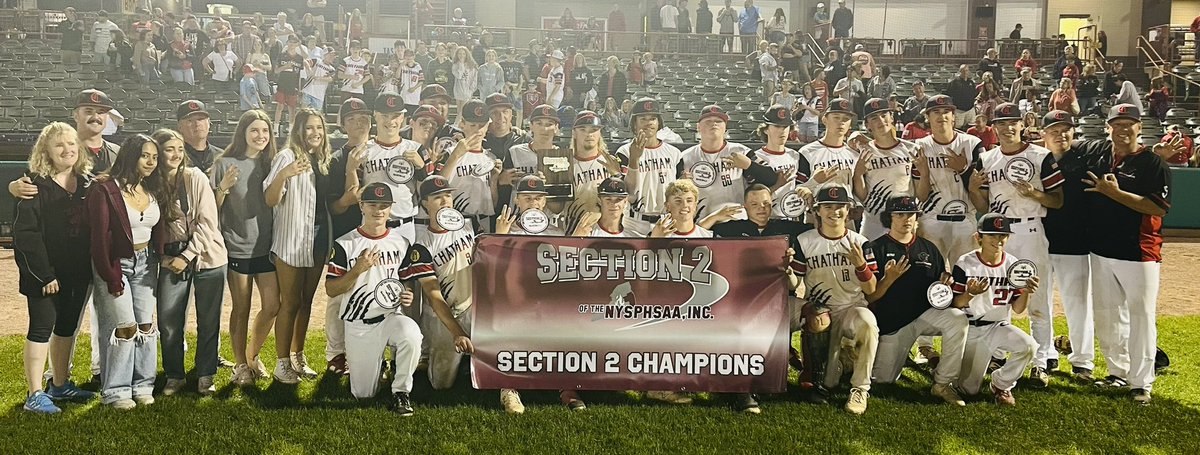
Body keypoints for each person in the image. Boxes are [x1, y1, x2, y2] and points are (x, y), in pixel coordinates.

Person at [1074, 104, 1173, 404]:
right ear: (1108, 127)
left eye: (1128, 124)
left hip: (1139, 252)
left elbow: (1157, 207)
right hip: (1101, 250)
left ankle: (1141, 382)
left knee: (1141, 316)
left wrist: (1114, 194)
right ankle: (1118, 372)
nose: (1122, 129)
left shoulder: (1153, 164)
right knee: (1108, 315)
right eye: (1117, 124)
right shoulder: (1101, 154)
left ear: (1139, 127)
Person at [968, 103, 1064, 387]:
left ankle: (1042, 359)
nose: (1008, 128)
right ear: (993, 127)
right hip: (998, 234)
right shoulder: (987, 159)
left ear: (1023, 124)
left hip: (1030, 229)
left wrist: (1035, 193)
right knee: (998, 296)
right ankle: (998, 354)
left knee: (1037, 298)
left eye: (1013, 122)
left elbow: (1058, 200)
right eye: (1001, 123)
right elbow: (983, 206)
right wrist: (973, 189)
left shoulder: (1041, 156)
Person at [326, 182, 430, 415]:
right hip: (359, 323)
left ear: (391, 209)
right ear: (361, 206)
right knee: (363, 394)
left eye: (384, 205)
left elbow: (405, 279)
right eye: (373, 204)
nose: (379, 210)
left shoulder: (401, 242)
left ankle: (401, 392)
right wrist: (357, 269)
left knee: (411, 334)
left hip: (390, 316)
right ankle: (378, 364)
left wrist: (408, 292)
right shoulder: (345, 244)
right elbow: (331, 290)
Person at [15, 123, 98, 413]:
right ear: (46, 151)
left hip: (77, 272)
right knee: (41, 328)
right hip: (44, 273)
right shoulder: (34, 184)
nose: (68, 150)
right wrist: (44, 274)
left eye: (72, 144)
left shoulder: (88, 182)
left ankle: (60, 385)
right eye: (59, 145)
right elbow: (26, 234)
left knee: (66, 327)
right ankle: (35, 393)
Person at [88, 134, 167, 409]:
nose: (151, 162)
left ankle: (143, 384)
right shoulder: (105, 188)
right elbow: (99, 238)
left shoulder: (152, 188)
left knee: (145, 326)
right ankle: (116, 391)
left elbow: (158, 229)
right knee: (123, 327)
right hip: (115, 263)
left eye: (155, 157)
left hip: (147, 263)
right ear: (130, 155)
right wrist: (110, 275)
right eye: (145, 155)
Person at [866, 196, 967, 406]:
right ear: (889, 218)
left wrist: (945, 284)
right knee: (883, 380)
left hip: (925, 315)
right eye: (899, 214)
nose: (906, 219)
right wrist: (889, 279)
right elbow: (870, 297)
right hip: (893, 322)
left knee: (957, 319)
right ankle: (854, 356)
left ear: (917, 217)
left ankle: (942, 384)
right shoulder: (875, 247)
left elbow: (940, 289)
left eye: (911, 214)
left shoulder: (929, 248)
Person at [151, 129, 228, 397]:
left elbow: (209, 223)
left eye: (179, 150)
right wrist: (166, 257)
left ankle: (205, 374)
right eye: (169, 149)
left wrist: (187, 256)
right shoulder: (150, 183)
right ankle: (175, 375)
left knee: (209, 320)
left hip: (207, 256)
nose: (175, 155)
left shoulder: (194, 177)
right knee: (169, 321)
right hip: (170, 258)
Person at [791, 184, 878, 414]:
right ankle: (843, 358)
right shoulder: (804, 240)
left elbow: (870, 288)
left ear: (848, 210)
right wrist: (787, 270)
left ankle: (860, 388)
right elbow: (794, 284)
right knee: (828, 382)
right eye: (827, 207)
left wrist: (860, 265)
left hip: (851, 307)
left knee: (868, 323)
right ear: (817, 210)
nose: (834, 212)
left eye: (839, 206)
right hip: (822, 313)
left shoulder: (860, 241)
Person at [264, 108, 334, 383]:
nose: (314, 133)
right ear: (298, 130)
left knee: (306, 302)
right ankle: (282, 363)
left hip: (316, 238)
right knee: (290, 303)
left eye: (319, 127)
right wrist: (284, 174)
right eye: (308, 128)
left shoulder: (322, 158)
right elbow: (270, 199)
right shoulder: (286, 156)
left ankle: (298, 355)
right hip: (292, 239)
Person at [211, 110, 281, 385]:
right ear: (243, 132)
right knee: (241, 307)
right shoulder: (225, 163)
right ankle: (240, 364)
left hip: (267, 247)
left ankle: (253, 355)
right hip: (237, 246)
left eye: (265, 131)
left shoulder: (272, 163)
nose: (260, 136)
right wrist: (223, 187)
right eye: (254, 130)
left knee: (272, 305)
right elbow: (210, 208)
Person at [951, 213, 1041, 405]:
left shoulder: (1013, 265)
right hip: (971, 328)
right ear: (979, 237)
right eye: (991, 235)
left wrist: (1026, 291)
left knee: (1028, 346)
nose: (998, 240)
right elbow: (955, 304)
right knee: (968, 390)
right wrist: (970, 294)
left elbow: (1018, 308)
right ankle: (949, 369)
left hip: (998, 326)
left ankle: (1001, 385)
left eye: (1002, 235)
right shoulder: (965, 263)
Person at [1039, 110, 1095, 381]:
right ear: (1043, 135)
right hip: (1040, 239)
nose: (1061, 135)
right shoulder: (1036, 160)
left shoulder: (1085, 160)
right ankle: (1046, 352)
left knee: (1077, 302)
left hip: (1075, 241)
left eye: (1066, 130)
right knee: (1040, 301)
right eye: (1054, 130)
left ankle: (1082, 360)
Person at [680, 105, 777, 219]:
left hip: (736, 220)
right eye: (708, 121)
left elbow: (771, 178)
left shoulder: (741, 151)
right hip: (702, 222)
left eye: (719, 121)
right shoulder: (685, 157)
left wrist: (749, 165)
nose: (714, 124)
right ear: (698, 127)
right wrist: (681, 184)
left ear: (725, 127)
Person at [851, 98, 918, 240]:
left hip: (904, 219)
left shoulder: (911, 149)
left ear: (892, 117)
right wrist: (858, 174)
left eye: (884, 115)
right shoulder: (863, 151)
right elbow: (863, 196)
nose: (881, 121)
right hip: (874, 221)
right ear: (867, 125)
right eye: (874, 118)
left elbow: (919, 189)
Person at [618, 98, 684, 237]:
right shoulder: (624, 152)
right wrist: (634, 159)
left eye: (653, 118)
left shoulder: (674, 153)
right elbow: (628, 191)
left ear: (659, 123)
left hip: (666, 220)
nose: (648, 123)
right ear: (634, 124)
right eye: (643, 119)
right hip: (633, 222)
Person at [437, 100, 500, 232]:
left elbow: (492, 204)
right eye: (472, 125)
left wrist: (494, 179)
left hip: (483, 222)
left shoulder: (491, 158)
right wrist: (455, 156)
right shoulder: (449, 153)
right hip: (453, 219)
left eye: (482, 125)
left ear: (488, 125)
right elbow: (437, 185)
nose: (477, 130)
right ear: (462, 124)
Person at [798, 98, 859, 195]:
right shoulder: (807, 152)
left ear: (850, 124)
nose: (841, 122)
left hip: (845, 209)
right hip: (815, 208)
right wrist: (814, 182)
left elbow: (857, 192)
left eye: (846, 119)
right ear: (824, 120)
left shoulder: (854, 155)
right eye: (836, 117)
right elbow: (795, 190)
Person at [947, 65, 977, 130]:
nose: (965, 72)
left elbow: (975, 94)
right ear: (960, 71)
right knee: (957, 128)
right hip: (959, 110)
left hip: (970, 109)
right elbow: (949, 94)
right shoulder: (954, 82)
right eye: (963, 71)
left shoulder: (971, 82)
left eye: (966, 70)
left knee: (971, 128)